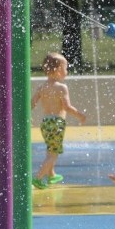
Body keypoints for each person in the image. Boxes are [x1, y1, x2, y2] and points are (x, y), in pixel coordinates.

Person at [30, 52, 86, 189]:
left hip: (45, 123)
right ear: (59, 70)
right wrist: (80, 115)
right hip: (57, 123)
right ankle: (38, 178)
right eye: (66, 68)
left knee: (50, 149)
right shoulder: (61, 87)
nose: (67, 71)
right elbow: (66, 107)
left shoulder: (42, 87)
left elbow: (32, 103)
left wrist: (28, 116)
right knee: (53, 154)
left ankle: (52, 174)